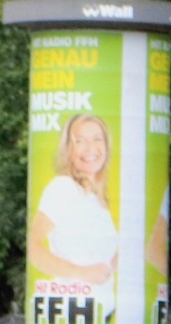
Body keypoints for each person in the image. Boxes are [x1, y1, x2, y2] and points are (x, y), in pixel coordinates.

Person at [28, 114, 120, 287]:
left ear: (107, 146)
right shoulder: (63, 188)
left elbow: (99, 261)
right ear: (68, 149)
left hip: (100, 310)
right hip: (72, 306)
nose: (90, 148)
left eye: (97, 139)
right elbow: (34, 248)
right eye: (80, 141)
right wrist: (81, 273)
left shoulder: (98, 198)